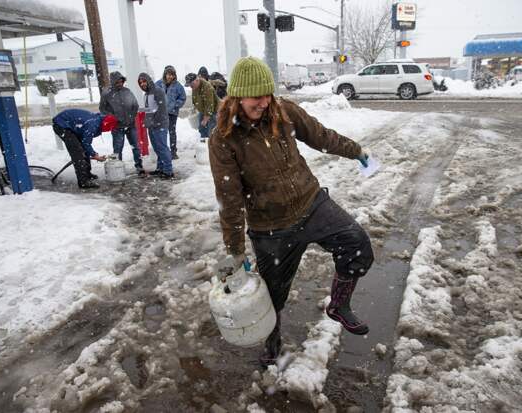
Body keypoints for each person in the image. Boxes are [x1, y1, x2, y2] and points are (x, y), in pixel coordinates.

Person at [208, 57, 374, 367]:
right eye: (257, 97)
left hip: (312, 204)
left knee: (357, 246)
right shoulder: (224, 138)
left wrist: (356, 150)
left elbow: (320, 135)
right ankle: (272, 347)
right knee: (272, 298)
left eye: (267, 94)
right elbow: (228, 196)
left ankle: (339, 305)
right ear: (239, 97)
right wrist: (234, 250)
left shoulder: (282, 111)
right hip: (271, 227)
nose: (264, 102)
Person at [52, 109, 117, 189]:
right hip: (62, 125)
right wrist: (94, 155)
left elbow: (85, 143)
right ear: (105, 125)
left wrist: (92, 153)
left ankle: (87, 173)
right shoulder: (93, 124)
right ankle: (83, 182)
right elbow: (86, 143)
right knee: (78, 152)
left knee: (83, 149)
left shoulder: (98, 120)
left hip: (70, 125)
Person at [99, 71, 144, 175]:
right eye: (117, 82)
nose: (120, 84)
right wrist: (114, 117)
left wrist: (131, 117)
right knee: (118, 148)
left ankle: (139, 166)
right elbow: (102, 109)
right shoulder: (107, 93)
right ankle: (119, 169)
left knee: (136, 146)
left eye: (121, 81)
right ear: (113, 82)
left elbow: (135, 105)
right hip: (117, 126)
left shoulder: (127, 91)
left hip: (130, 125)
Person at [137, 72, 174, 179]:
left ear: (148, 80)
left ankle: (168, 171)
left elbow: (162, 109)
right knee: (157, 148)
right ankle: (160, 168)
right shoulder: (147, 94)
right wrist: (139, 110)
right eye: (140, 83)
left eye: (144, 81)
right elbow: (151, 109)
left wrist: (155, 122)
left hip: (159, 125)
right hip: (152, 126)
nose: (142, 84)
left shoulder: (158, 91)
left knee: (162, 147)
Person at [155, 65, 186, 160]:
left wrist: (175, 105)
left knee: (172, 132)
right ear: (165, 74)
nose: (170, 76)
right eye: (169, 74)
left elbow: (182, 98)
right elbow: (153, 95)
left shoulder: (178, 86)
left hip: (172, 113)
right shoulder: (158, 84)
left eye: (172, 74)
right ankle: (162, 152)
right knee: (161, 132)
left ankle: (173, 152)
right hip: (161, 113)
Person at [185, 72, 219, 139]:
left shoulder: (207, 87)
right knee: (201, 128)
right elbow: (195, 98)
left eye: (191, 84)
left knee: (212, 130)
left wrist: (206, 118)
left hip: (213, 111)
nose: (191, 87)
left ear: (197, 80)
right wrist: (194, 107)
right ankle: (203, 141)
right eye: (189, 85)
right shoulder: (195, 87)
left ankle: (212, 142)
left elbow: (210, 105)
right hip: (203, 110)